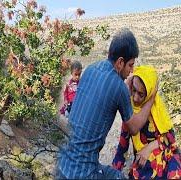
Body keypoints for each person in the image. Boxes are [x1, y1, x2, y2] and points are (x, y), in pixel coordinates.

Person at [56, 28, 157, 179]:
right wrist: (151, 97)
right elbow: (134, 128)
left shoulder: (90, 69)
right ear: (120, 62)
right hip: (83, 173)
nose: (131, 70)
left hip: (62, 164)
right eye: (130, 65)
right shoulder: (119, 87)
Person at [112, 66, 181, 179]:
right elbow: (122, 148)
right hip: (145, 166)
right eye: (134, 90)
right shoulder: (130, 114)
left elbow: (171, 139)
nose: (135, 98)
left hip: (166, 159)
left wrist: (148, 149)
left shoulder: (157, 111)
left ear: (149, 94)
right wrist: (113, 173)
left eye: (141, 94)